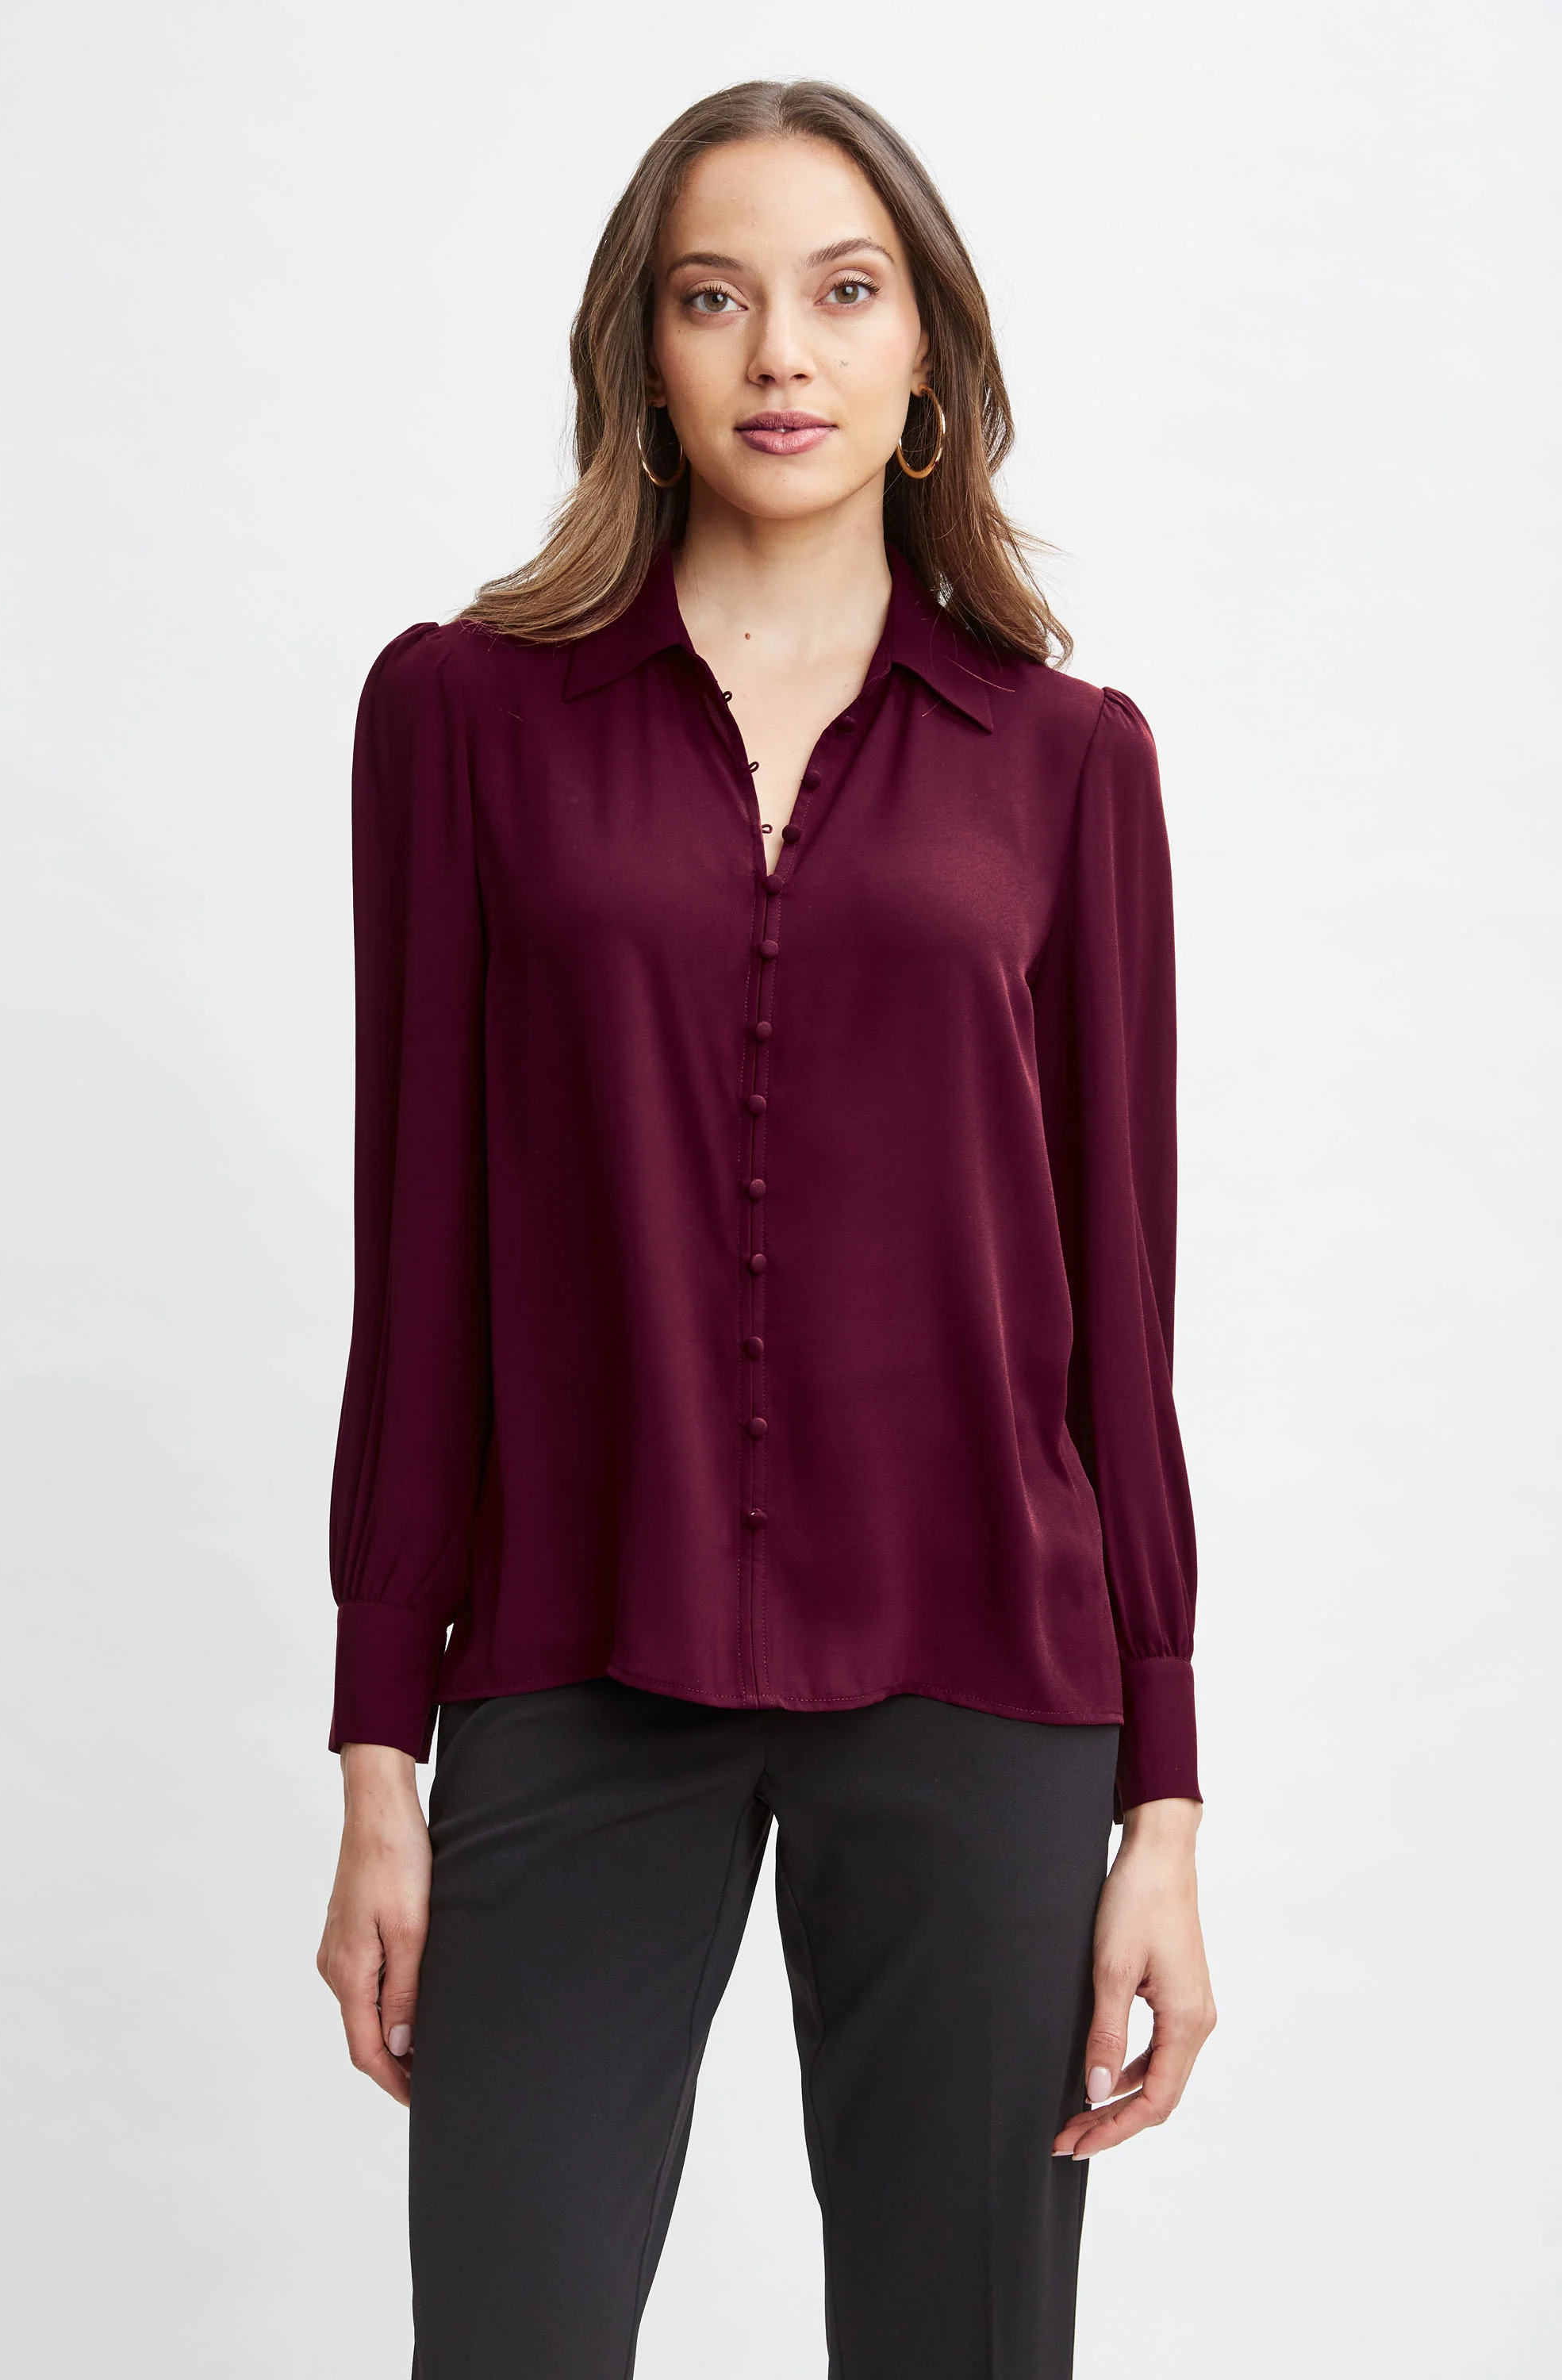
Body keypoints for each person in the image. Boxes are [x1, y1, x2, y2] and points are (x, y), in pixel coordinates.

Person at [316, 78, 1216, 2380]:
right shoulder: (462, 720)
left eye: (844, 292)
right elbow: (418, 1255)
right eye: (716, 298)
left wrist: (1165, 1794)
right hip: (574, 1646)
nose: (783, 354)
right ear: (644, 349)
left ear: (929, 357)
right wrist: (378, 1753)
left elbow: (1121, 1311)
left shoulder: (1069, 763)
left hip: (982, 1672)